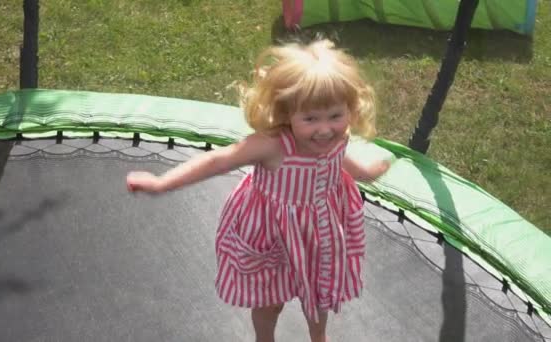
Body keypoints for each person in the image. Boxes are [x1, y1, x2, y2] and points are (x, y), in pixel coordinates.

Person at [126, 39, 390, 342]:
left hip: (318, 232)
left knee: (320, 293)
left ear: (349, 109)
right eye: (310, 118)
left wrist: (367, 173)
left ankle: (320, 338)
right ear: (287, 113)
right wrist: (163, 183)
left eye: (335, 116)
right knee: (269, 301)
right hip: (271, 233)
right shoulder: (274, 145)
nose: (324, 129)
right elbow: (218, 160)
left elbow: (340, 159)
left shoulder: (336, 137)